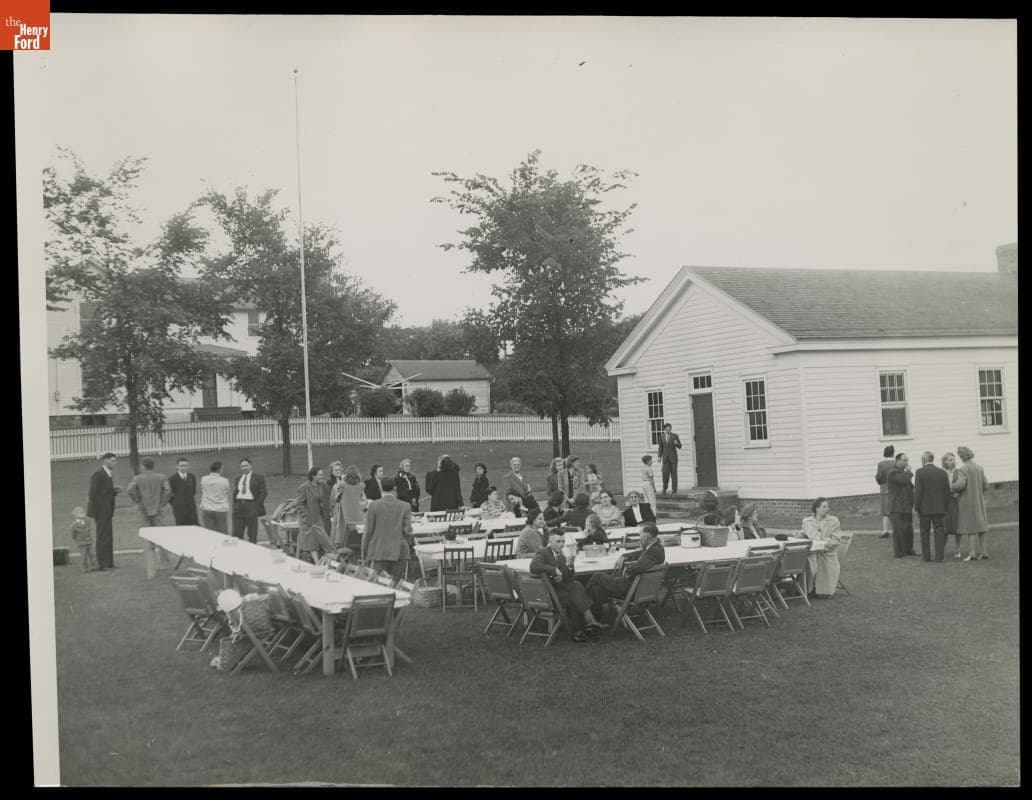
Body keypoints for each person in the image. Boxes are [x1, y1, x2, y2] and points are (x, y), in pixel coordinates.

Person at [530, 531, 604, 642]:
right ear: (550, 542)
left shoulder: (561, 556)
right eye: (558, 541)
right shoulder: (543, 552)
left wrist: (570, 565)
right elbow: (534, 566)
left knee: (576, 586)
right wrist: (554, 569)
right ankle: (584, 627)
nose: (561, 544)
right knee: (575, 593)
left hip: (560, 589)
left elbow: (569, 579)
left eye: (563, 541)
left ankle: (585, 627)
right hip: (548, 593)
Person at [586, 521, 666, 619]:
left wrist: (628, 568)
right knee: (595, 589)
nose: (639, 537)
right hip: (638, 587)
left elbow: (641, 566)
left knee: (597, 575)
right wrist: (624, 555)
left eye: (640, 534)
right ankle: (593, 617)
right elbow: (641, 553)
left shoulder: (654, 551)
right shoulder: (655, 548)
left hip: (631, 589)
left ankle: (583, 608)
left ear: (646, 536)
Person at [362, 476, 414, 583]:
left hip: (379, 550)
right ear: (395, 488)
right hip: (399, 550)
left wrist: (365, 553)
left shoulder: (373, 506)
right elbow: (408, 531)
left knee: (378, 584)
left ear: (381, 488)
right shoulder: (405, 506)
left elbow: (368, 532)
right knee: (395, 584)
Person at [127, 457, 173, 568]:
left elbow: (130, 489)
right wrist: (162, 503)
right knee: (161, 536)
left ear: (143, 466)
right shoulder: (161, 477)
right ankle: (166, 562)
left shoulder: (137, 479)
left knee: (147, 536)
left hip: (144, 510)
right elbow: (168, 490)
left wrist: (139, 501)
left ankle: (150, 564)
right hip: (157, 509)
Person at [953, 446, 990, 561]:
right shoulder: (979, 468)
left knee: (971, 527)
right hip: (979, 500)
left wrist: (951, 487)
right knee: (982, 526)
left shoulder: (963, 469)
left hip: (967, 501)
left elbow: (960, 485)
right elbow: (986, 485)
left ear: (962, 456)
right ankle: (984, 552)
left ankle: (973, 553)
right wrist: (979, 491)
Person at [914, 450, 951, 563]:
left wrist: (917, 507)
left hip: (924, 509)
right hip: (939, 508)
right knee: (939, 532)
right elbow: (947, 492)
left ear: (924, 460)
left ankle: (927, 556)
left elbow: (918, 492)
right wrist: (945, 506)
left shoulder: (920, 472)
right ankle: (939, 556)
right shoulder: (942, 473)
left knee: (924, 532)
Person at [801, 497, 843, 597]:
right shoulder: (807, 521)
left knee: (823, 594)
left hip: (826, 554)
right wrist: (800, 535)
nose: (827, 508)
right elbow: (804, 536)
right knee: (804, 561)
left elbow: (836, 540)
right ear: (817, 508)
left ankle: (815, 589)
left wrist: (822, 545)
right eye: (824, 507)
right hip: (811, 553)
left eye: (827, 506)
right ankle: (805, 588)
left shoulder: (833, 521)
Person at [87, 452, 120, 570]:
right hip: (101, 511)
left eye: (115, 461)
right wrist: (103, 507)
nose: (114, 463)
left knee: (108, 536)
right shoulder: (98, 474)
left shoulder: (108, 474)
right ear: (105, 460)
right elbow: (93, 494)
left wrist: (113, 491)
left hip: (107, 511)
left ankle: (109, 563)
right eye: (112, 460)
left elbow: (104, 491)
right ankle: (102, 564)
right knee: (102, 537)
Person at [295, 467, 334, 559]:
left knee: (325, 539)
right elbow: (298, 503)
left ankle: (327, 559)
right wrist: (306, 515)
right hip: (309, 519)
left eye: (322, 474)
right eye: (319, 475)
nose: (322, 476)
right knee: (312, 542)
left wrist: (328, 511)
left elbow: (326, 499)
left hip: (320, 516)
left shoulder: (323, 485)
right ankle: (316, 562)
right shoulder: (304, 487)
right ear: (313, 476)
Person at [231, 457, 267, 544]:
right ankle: (237, 551)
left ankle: (252, 551)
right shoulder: (238, 478)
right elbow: (235, 492)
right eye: (242, 466)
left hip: (251, 506)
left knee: (252, 533)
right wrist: (235, 505)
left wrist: (256, 505)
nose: (244, 468)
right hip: (238, 507)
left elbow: (263, 493)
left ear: (251, 465)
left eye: (246, 465)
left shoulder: (258, 478)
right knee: (236, 533)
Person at [887, 452, 917, 558]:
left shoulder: (903, 473)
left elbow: (910, 486)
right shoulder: (892, 472)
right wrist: (909, 472)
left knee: (908, 529)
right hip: (896, 507)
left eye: (907, 460)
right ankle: (899, 552)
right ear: (898, 461)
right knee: (899, 530)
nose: (906, 463)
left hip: (906, 506)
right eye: (904, 460)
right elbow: (903, 480)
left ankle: (909, 549)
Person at [333, 465, 366, 551]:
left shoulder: (342, 485)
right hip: (358, 513)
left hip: (345, 512)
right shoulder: (361, 485)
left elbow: (336, 498)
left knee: (344, 531)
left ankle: (342, 546)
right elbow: (362, 497)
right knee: (357, 531)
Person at [942, 452, 964, 558]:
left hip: (955, 502)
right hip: (945, 502)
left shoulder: (958, 472)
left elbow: (963, 485)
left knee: (957, 526)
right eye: (950, 460)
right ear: (945, 461)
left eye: (953, 459)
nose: (953, 461)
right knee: (944, 526)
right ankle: (941, 549)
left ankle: (958, 549)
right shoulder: (942, 472)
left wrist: (958, 492)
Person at [199, 460, 231, 534]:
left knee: (210, 533)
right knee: (222, 533)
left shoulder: (203, 479)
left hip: (207, 509)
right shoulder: (225, 481)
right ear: (220, 469)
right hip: (220, 510)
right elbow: (227, 492)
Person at [168, 456, 199, 526]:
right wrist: (176, 503)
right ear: (177, 466)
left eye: (185, 465)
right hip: (179, 509)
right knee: (181, 528)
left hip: (191, 508)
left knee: (195, 527)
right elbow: (169, 495)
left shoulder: (192, 477)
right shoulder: (172, 479)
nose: (183, 467)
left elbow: (193, 491)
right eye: (181, 466)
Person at [875, 444, 896, 539]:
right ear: (892, 453)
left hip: (884, 488)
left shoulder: (881, 464)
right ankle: (896, 529)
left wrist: (880, 482)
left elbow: (879, 477)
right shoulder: (896, 463)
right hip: (895, 488)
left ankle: (885, 530)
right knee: (895, 510)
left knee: (885, 511)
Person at [657, 423, 682, 495]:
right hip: (665, 458)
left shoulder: (675, 436)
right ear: (664, 429)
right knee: (665, 474)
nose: (668, 430)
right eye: (667, 429)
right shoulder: (661, 436)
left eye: (669, 428)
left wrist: (676, 443)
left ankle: (674, 490)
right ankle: (664, 488)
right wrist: (659, 456)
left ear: (671, 428)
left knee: (674, 474)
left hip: (673, 458)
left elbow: (680, 446)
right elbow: (660, 447)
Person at [70, 505, 97, 573]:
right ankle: (85, 568)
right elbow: (73, 535)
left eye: (83, 512)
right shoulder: (74, 525)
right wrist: (77, 540)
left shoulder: (87, 522)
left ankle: (93, 566)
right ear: (76, 515)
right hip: (81, 543)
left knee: (92, 554)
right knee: (84, 556)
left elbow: (89, 530)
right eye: (81, 513)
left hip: (89, 542)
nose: (83, 514)